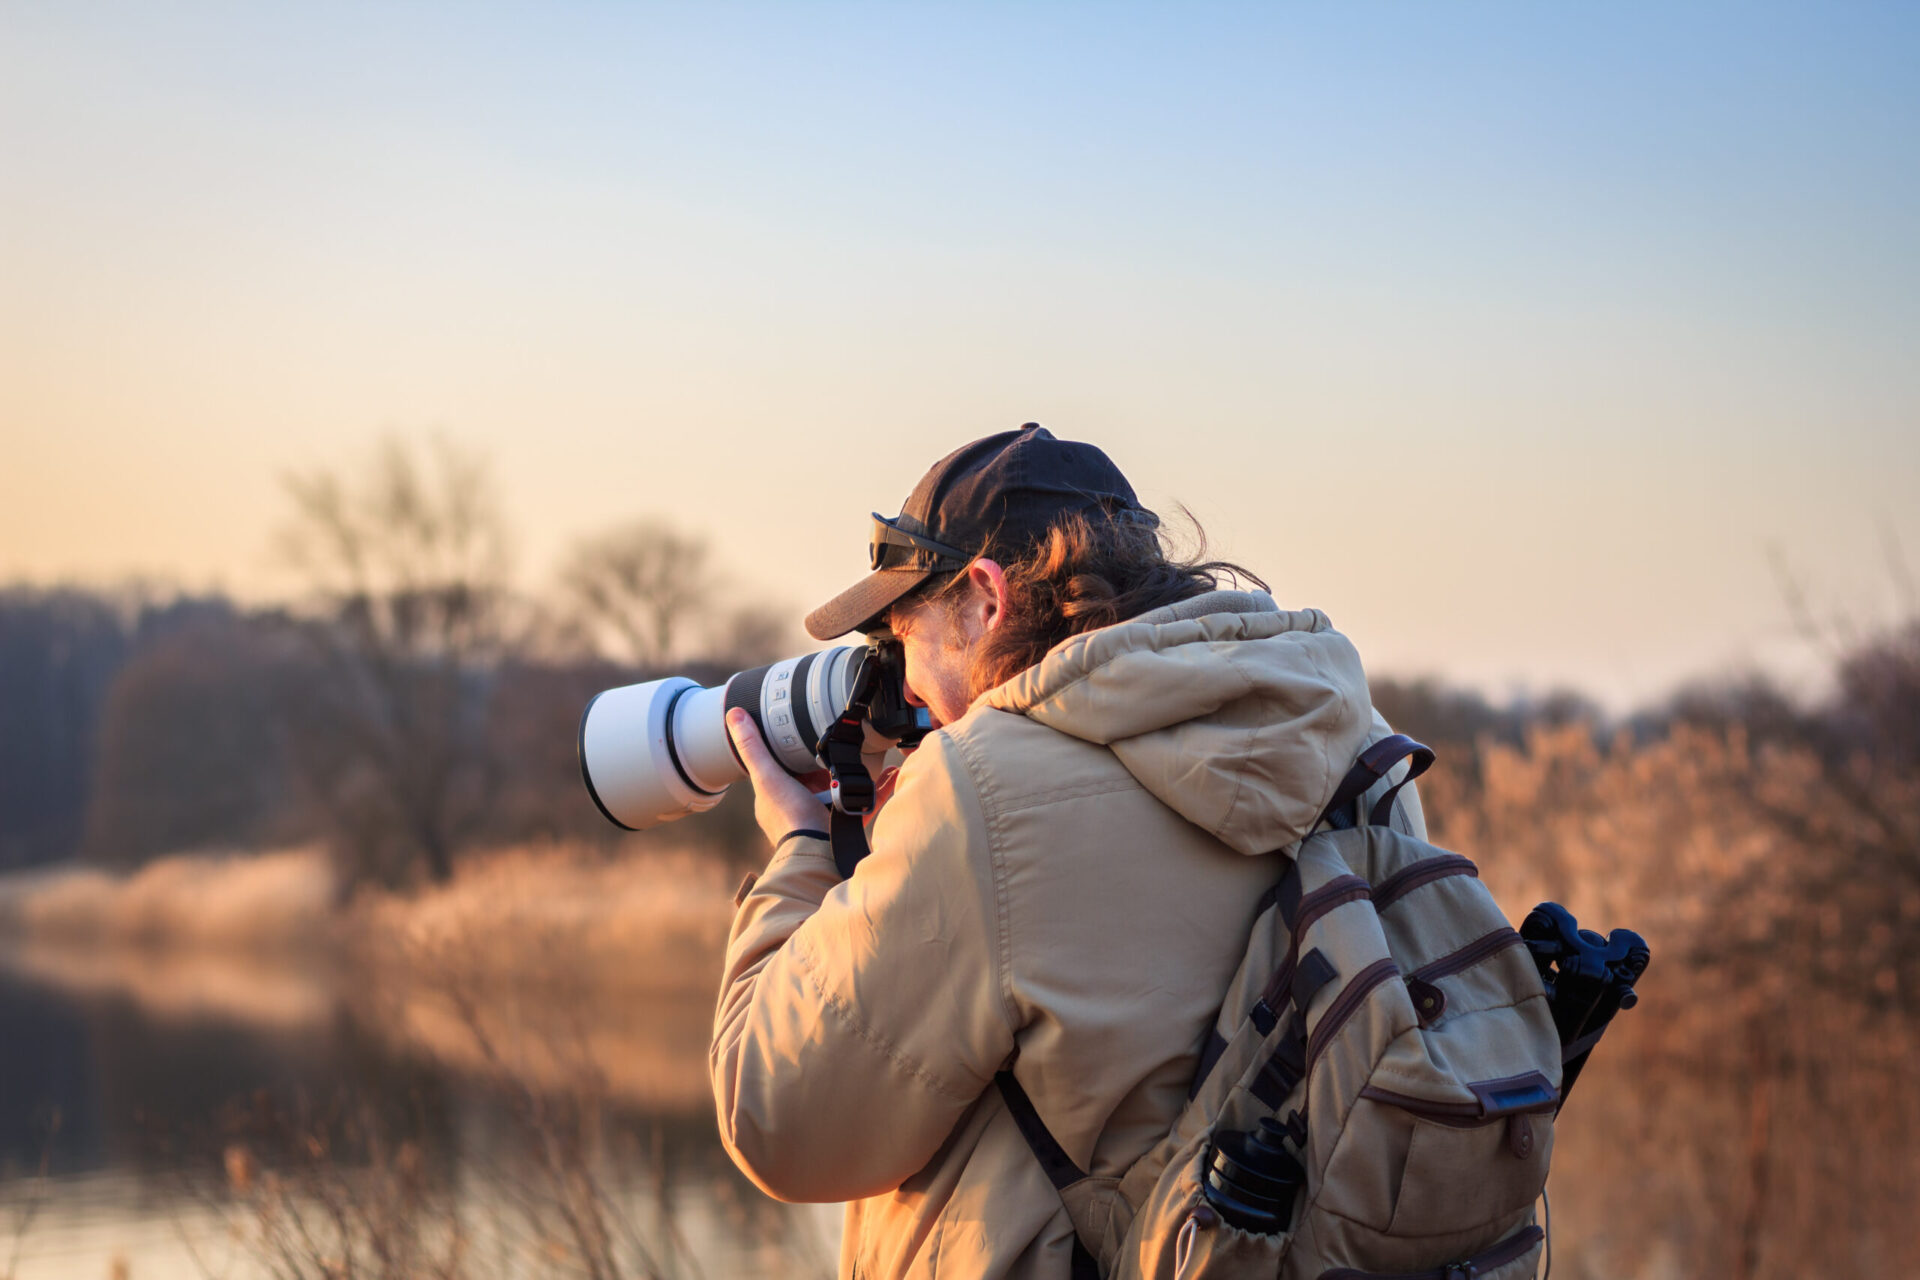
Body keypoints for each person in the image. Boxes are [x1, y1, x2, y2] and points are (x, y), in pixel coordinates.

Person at [711, 425, 1426, 1279]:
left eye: (906, 635)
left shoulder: (983, 791)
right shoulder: (1351, 739)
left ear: (983, 598)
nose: (901, 685)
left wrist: (800, 849)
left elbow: (779, 1121)